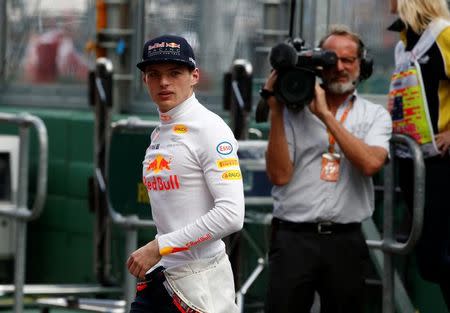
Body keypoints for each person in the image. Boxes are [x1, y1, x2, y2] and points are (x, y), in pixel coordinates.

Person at [261, 25, 392, 313]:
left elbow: (371, 163)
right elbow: (280, 176)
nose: (340, 68)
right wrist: (275, 111)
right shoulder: (293, 109)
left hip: (345, 241)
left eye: (349, 60)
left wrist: (326, 116)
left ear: (362, 65)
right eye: (332, 60)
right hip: (293, 237)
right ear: (318, 63)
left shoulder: (374, 116)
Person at [127, 34, 245, 313]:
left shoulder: (210, 129)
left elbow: (231, 215)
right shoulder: (159, 132)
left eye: (175, 73)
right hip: (162, 277)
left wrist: (160, 246)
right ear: (144, 80)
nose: (164, 82)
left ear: (194, 76)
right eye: (154, 74)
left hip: (200, 284)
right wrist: (161, 251)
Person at [388, 0, 450, 309]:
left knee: (440, 257)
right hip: (411, 160)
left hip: (440, 164)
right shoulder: (403, 45)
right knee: (428, 259)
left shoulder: (443, 35)